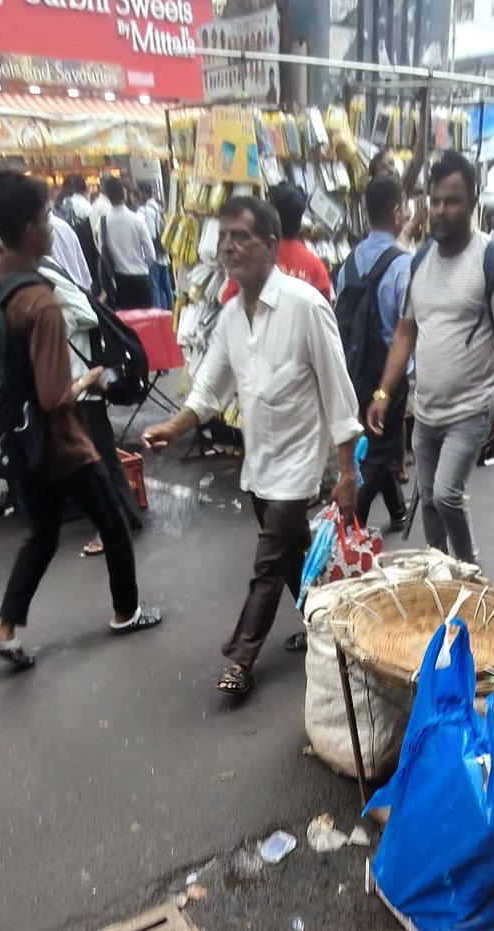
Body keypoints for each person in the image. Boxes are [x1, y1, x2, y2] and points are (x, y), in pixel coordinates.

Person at [142, 196, 361, 696]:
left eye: (241, 236)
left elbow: (339, 394)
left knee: (267, 564)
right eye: (223, 238)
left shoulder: (306, 307)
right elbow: (209, 389)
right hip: (258, 466)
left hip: (302, 467)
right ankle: (329, 626)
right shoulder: (229, 318)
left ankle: (241, 659)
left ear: (270, 243)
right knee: (291, 559)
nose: (229, 247)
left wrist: (347, 474)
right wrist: (172, 428)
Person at [0, 169, 159, 667]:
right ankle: (127, 611)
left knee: (43, 533)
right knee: (116, 526)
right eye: (45, 217)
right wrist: (92, 378)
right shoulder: (41, 303)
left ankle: (4, 627)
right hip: (60, 443)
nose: (51, 225)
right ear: (32, 228)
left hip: (16, 436)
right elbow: (57, 395)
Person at [368, 151, 494, 564]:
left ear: (473, 202)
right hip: (426, 409)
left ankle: (469, 568)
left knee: (445, 493)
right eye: (435, 200)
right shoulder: (418, 262)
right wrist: (383, 393)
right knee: (430, 503)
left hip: (471, 408)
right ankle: (439, 572)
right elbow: (405, 332)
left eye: (452, 201)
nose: (441, 210)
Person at [336, 174, 412, 531]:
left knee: (372, 442)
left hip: (353, 373)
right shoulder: (402, 264)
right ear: (397, 212)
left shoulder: (348, 263)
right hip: (388, 379)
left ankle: (397, 510)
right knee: (378, 453)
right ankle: (349, 532)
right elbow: (406, 327)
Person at [98, 176, 157, 308]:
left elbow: (102, 251)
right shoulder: (137, 220)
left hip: (120, 282)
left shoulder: (102, 223)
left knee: (127, 324)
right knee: (146, 321)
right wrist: (142, 263)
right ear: (124, 193)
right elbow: (151, 255)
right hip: (141, 278)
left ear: (107, 196)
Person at [267, 182, 331, 300]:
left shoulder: (253, 260)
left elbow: (229, 302)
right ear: (300, 220)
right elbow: (326, 314)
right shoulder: (317, 268)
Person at [137, 181, 173, 310]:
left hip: (155, 253)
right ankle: (171, 309)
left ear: (144, 193)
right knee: (166, 284)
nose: (138, 196)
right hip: (163, 252)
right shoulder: (159, 207)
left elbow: (151, 234)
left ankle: (158, 312)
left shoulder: (147, 211)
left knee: (155, 285)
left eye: (139, 193)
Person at [49, 211, 93, 293]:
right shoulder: (64, 226)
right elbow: (83, 269)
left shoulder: (61, 227)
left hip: (69, 294)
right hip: (79, 292)